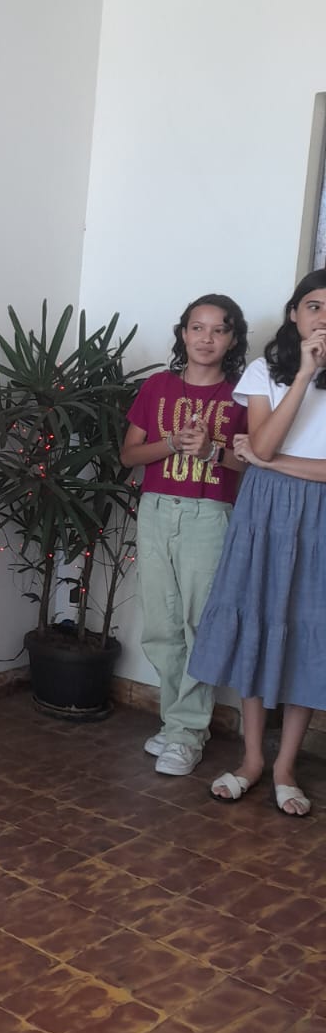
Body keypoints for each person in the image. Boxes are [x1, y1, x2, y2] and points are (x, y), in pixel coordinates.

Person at [188, 269, 326, 816]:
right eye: (314, 306)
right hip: (262, 512)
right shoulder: (265, 371)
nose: (323, 317)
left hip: (318, 516)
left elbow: (264, 455)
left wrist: (270, 462)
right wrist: (305, 375)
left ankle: (286, 767)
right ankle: (251, 760)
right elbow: (262, 442)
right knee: (254, 619)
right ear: (295, 313)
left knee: (306, 631)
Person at [120, 295, 248, 777]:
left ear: (232, 339)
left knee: (199, 625)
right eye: (198, 328)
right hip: (156, 509)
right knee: (161, 625)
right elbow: (129, 455)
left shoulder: (242, 396)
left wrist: (213, 452)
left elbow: (256, 465)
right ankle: (177, 723)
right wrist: (172, 443)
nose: (206, 339)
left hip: (209, 516)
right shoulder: (157, 386)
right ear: (183, 333)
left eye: (219, 330)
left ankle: (187, 733)